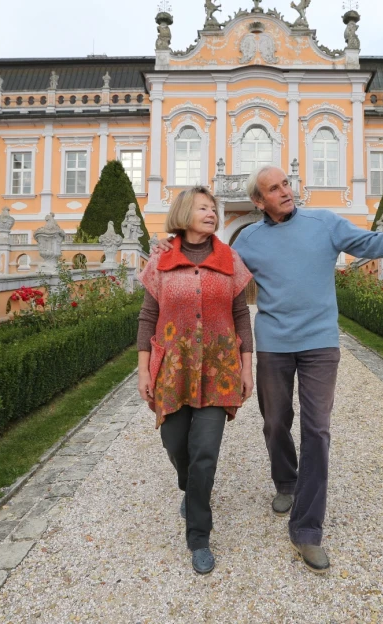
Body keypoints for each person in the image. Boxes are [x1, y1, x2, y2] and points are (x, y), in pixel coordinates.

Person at [154, 166, 383, 573]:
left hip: (319, 344)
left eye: (286, 184)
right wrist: (167, 249)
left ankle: (308, 529)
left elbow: (373, 242)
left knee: (317, 430)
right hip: (275, 345)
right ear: (258, 202)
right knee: (275, 421)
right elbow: (211, 268)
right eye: (274, 189)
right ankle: (285, 481)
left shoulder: (325, 223)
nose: (285, 192)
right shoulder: (250, 242)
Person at [137, 186, 254, 575]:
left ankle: (199, 537)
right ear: (185, 213)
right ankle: (189, 487)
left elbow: (242, 316)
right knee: (175, 443)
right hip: (173, 368)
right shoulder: (161, 261)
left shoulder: (230, 259)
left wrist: (246, 367)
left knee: (205, 453)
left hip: (219, 369)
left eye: (214, 209)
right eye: (204, 208)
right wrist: (142, 370)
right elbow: (147, 318)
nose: (212, 214)